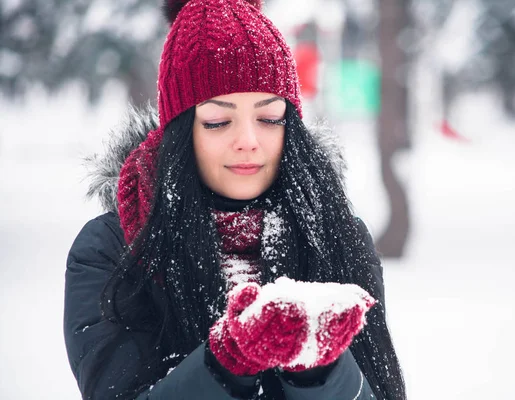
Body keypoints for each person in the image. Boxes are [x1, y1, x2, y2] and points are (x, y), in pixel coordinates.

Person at [63, 0, 406, 399]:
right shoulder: (114, 248)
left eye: (269, 117)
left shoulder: (336, 235)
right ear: (181, 133)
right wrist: (224, 365)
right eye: (218, 121)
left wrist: (320, 374)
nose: (248, 141)